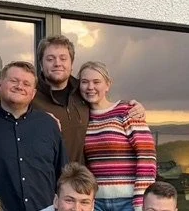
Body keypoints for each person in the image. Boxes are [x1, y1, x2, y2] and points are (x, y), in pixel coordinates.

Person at [0, 61, 67, 211]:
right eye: (14, 81)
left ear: (33, 93)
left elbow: (62, 173)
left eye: (26, 84)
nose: (20, 86)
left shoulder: (48, 124)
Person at [32, 35, 146, 163]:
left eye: (63, 58)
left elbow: (105, 107)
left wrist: (133, 107)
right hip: (46, 179)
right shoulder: (30, 98)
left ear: (71, 64)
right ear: (41, 64)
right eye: (50, 59)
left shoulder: (82, 91)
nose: (57, 63)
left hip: (80, 180)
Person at [78, 61, 157, 211]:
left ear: (108, 84)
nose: (90, 87)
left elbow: (147, 157)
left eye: (96, 82)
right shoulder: (82, 118)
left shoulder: (126, 112)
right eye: (84, 82)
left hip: (128, 203)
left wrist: (141, 202)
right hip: (97, 204)